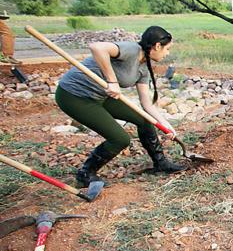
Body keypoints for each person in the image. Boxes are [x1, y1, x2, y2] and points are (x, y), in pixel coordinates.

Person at [55, 26, 185, 188]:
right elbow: (97, 47)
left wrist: (166, 125)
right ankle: (86, 174)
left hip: (101, 95)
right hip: (74, 95)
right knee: (120, 139)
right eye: (167, 49)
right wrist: (112, 81)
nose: (167, 53)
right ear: (157, 46)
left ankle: (160, 163)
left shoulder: (144, 67)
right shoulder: (131, 50)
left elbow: (146, 103)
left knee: (145, 119)